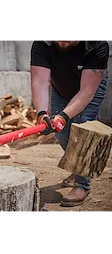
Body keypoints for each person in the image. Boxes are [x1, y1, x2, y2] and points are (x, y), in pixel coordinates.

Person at [30, 38, 109, 207]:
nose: (62, 41)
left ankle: (83, 185)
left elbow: (87, 90)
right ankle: (78, 166)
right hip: (61, 86)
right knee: (62, 133)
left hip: (89, 86)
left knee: (82, 129)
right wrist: (42, 114)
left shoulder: (96, 44)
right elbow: (41, 81)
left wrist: (64, 117)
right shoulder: (42, 43)